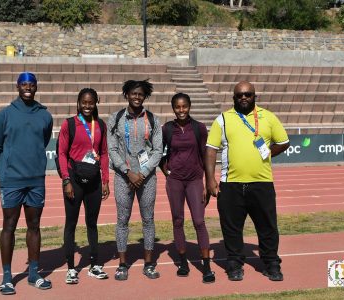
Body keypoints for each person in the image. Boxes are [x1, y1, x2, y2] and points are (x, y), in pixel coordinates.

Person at [204, 81, 290, 282]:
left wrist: (267, 153)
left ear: (254, 96)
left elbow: (284, 142)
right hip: (230, 184)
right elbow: (210, 149)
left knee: (268, 227)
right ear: (233, 98)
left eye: (248, 94)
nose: (244, 98)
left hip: (262, 184)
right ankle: (234, 264)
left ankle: (271, 264)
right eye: (240, 95)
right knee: (231, 229)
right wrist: (210, 179)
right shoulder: (223, 119)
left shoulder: (268, 117)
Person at [0, 72, 53, 295]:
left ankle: (34, 273)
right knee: (9, 225)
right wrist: (0, 175)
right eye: (24, 84)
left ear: (36, 87)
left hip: (36, 179)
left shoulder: (45, 116)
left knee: (34, 226)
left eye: (31, 85)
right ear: (17, 87)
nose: (28, 88)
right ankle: (7, 277)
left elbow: (43, 141)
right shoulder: (4, 115)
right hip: (11, 180)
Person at [107, 79, 163, 281]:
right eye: (133, 93)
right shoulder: (116, 118)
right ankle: (122, 265)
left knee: (148, 220)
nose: (137, 97)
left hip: (147, 178)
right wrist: (127, 171)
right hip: (123, 177)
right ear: (126, 95)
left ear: (145, 97)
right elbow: (112, 149)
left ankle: (149, 264)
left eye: (140, 94)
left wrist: (143, 172)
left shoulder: (154, 120)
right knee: (122, 220)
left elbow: (158, 151)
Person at [159, 93, 215, 283]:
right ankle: (183, 262)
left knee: (199, 221)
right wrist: (166, 171)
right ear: (173, 108)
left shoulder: (199, 128)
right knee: (177, 220)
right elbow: (161, 154)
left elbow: (206, 155)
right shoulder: (167, 129)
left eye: (184, 106)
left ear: (189, 106)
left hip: (194, 180)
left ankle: (206, 266)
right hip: (175, 181)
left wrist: (208, 182)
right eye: (177, 107)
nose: (181, 110)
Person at [57, 88, 110, 284]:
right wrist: (66, 180)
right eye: (84, 102)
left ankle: (94, 265)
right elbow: (61, 154)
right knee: (71, 224)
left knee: (92, 223)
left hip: (94, 181)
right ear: (78, 103)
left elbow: (104, 153)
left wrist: (105, 180)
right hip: (74, 180)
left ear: (96, 103)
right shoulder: (69, 124)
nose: (87, 106)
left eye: (91, 102)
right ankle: (71, 268)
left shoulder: (101, 125)